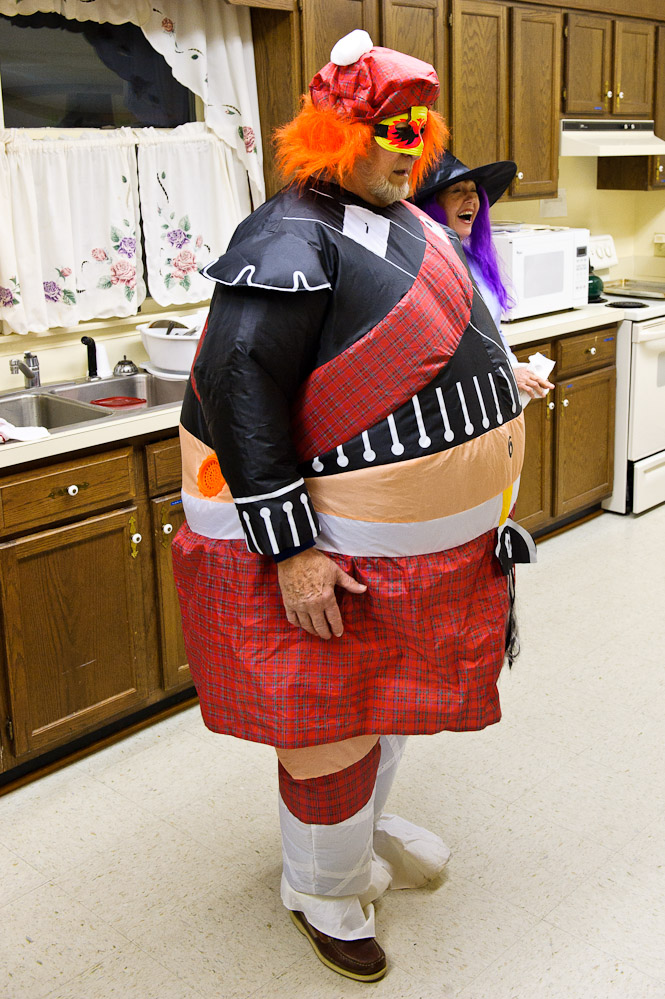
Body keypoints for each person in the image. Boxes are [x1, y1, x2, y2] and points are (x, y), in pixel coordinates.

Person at [172, 29, 531, 984]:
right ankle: (322, 888)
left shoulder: (402, 219)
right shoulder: (285, 237)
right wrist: (292, 548)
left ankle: (362, 831)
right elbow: (239, 386)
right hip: (332, 552)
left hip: (420, 553)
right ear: (334, 133)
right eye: (390, 129)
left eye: (419, 128)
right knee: (329, 727)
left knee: (388, 701)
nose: (411, 148)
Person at [415, 151, 554, 399]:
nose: (471, 198)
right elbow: (444, 353)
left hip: (489, 394)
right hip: (451, 401)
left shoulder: (476, 264)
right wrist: (505, 375)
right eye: (457, 191)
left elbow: (494, 334)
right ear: (432, 205)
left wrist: (517, 372)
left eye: (473, 190)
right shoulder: (422, 269)